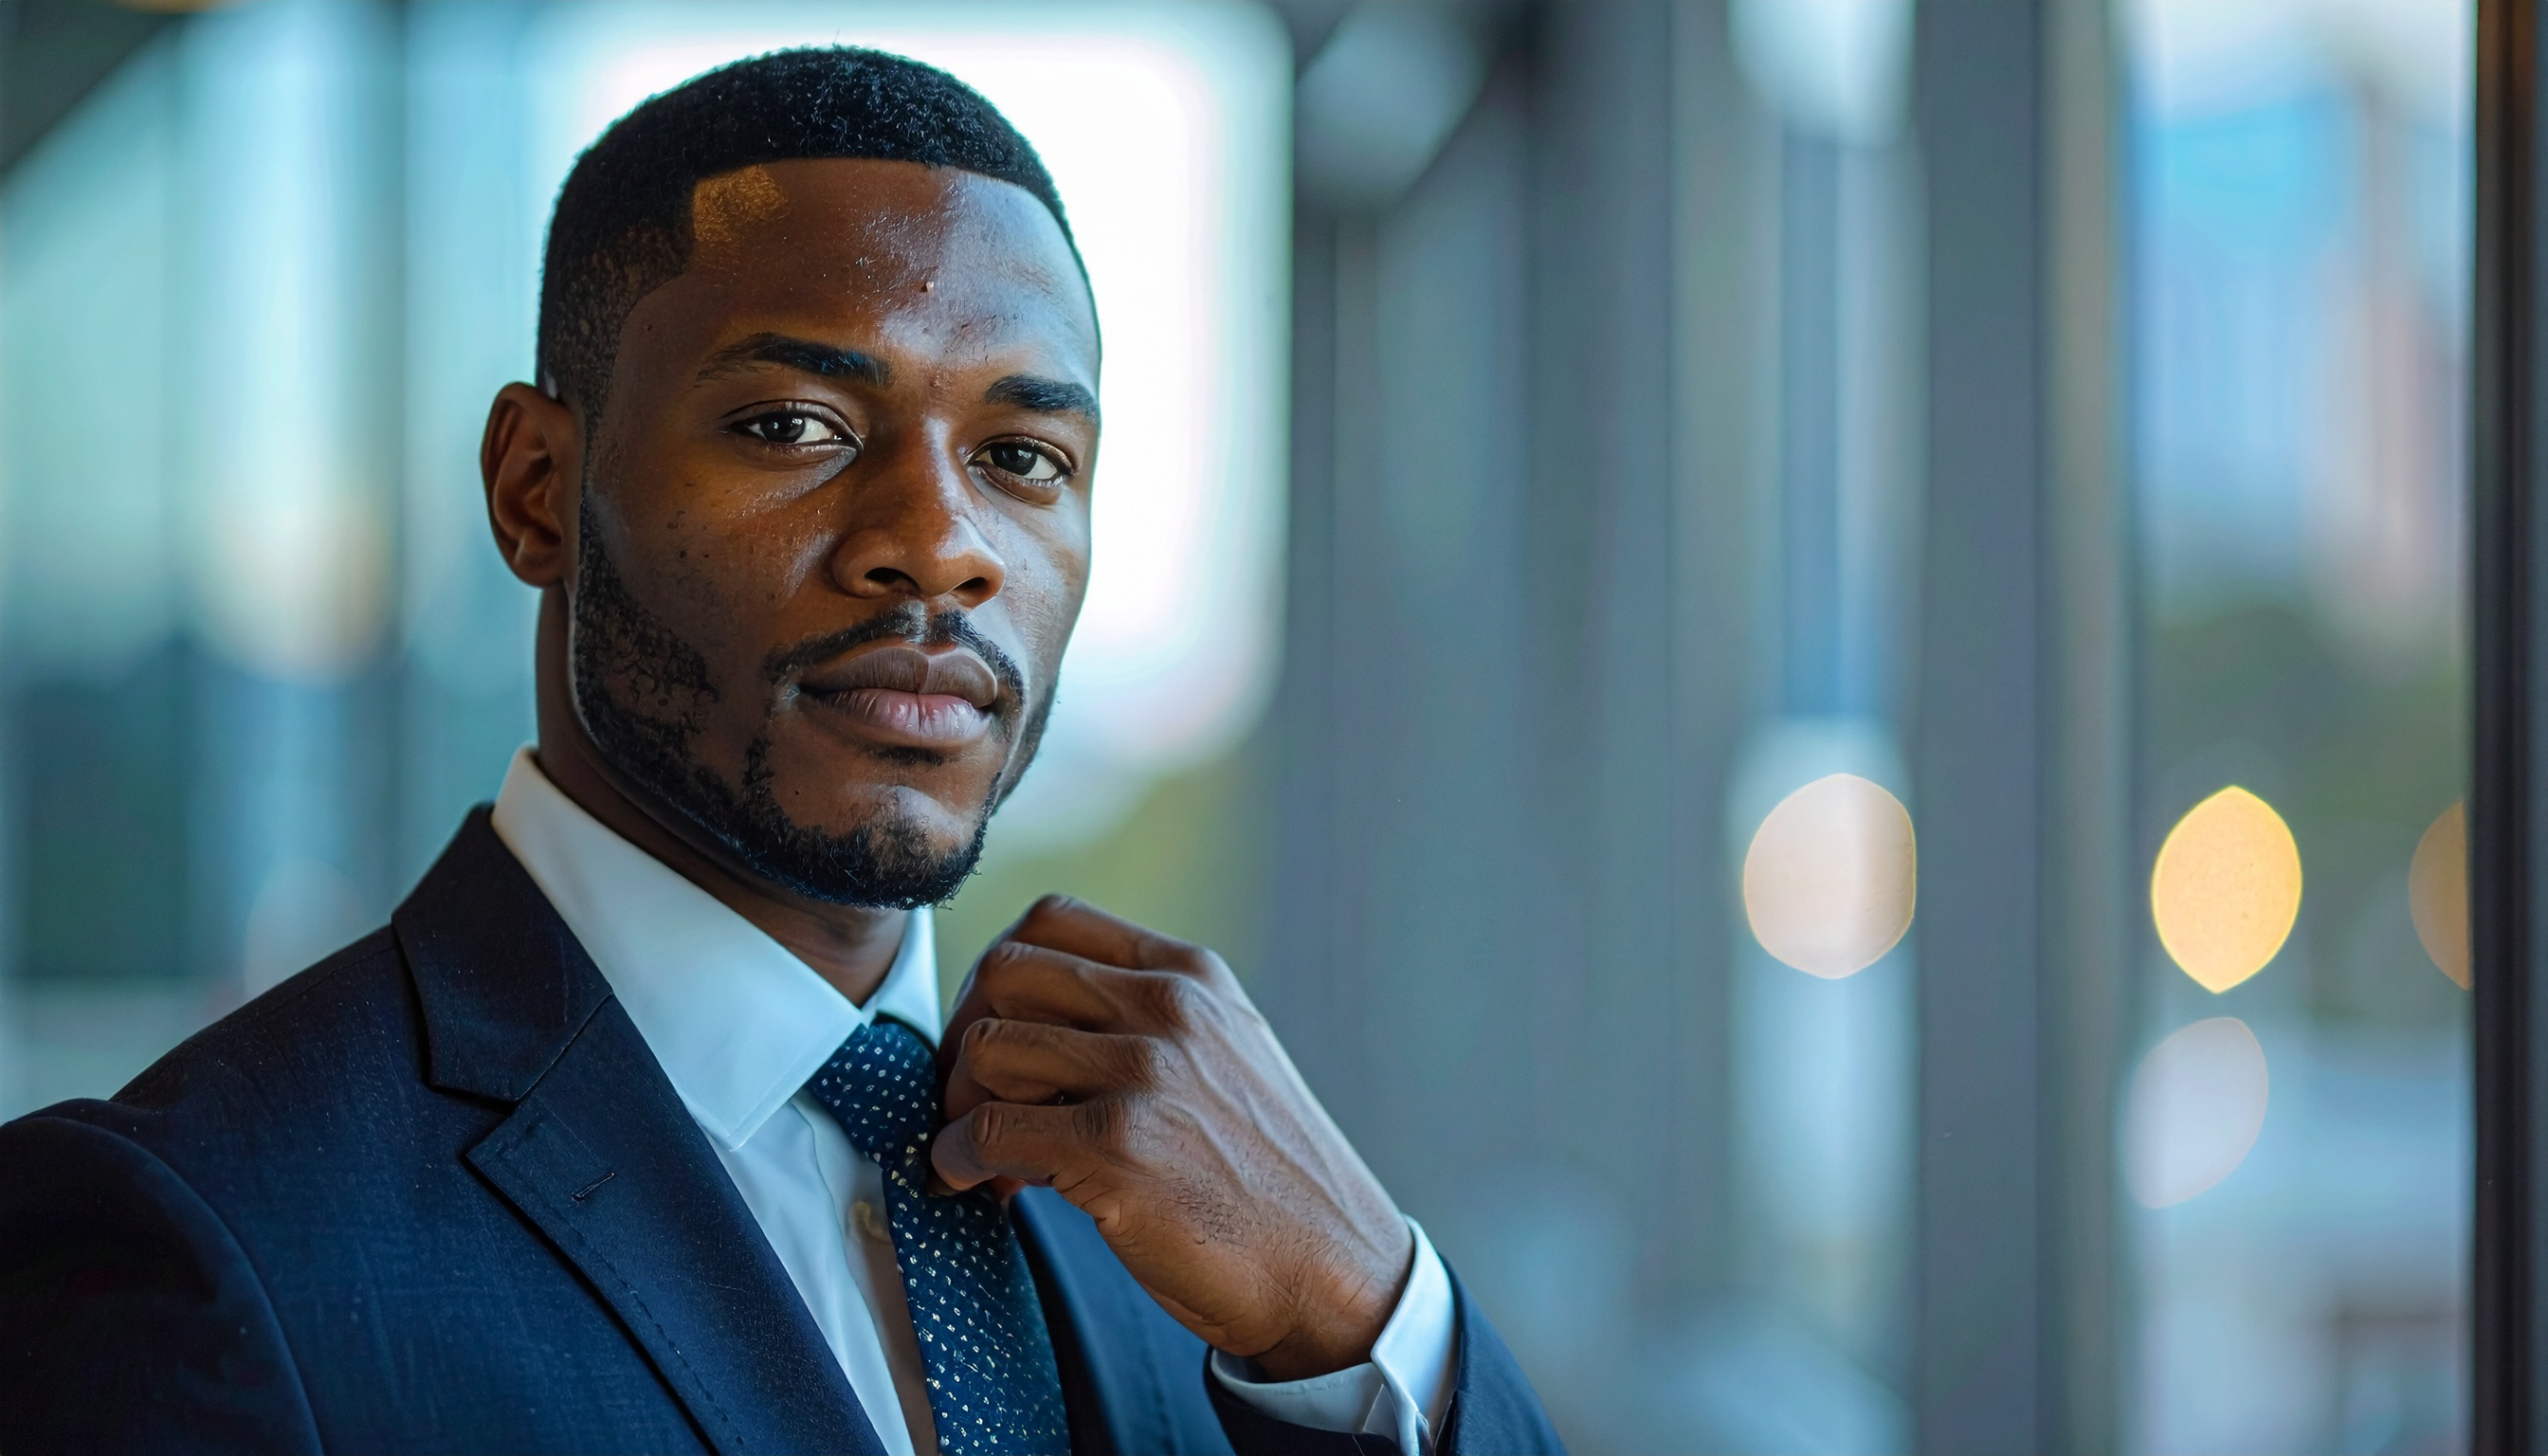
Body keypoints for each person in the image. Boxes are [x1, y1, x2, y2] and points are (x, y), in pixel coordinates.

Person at [0, 46, 1559, 1456]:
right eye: (796, 428)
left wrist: (1376, 1328)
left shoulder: (1195, 1219)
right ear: (538, 489)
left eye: (1022, 459)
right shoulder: (199, 1240)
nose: (940, 548)